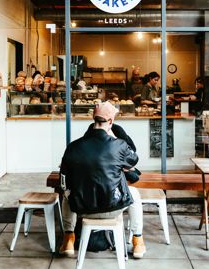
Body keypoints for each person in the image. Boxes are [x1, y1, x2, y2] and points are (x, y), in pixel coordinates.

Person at [59, 101, 146, 259]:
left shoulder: (74, 146)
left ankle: (68, 238)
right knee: (135, 194)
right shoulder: (118, 145)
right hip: (113, 207)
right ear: (111, 122)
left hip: (83, 209)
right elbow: (134, 159)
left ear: (93, 118)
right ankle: (138, 240)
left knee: (66, 194)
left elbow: (64, 180)